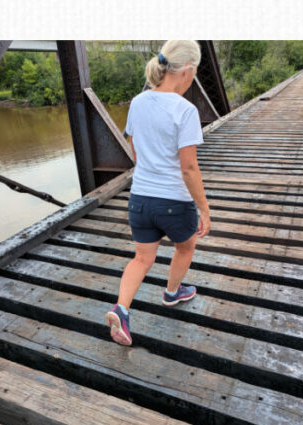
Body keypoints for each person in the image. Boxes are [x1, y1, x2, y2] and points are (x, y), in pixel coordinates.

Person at [105, 40, 211, 346]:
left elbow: (134, 148)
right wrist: (204, 209)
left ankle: (121, 309)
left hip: (140, 199)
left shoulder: (138, 102)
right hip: (174, 203)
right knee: (185, 246)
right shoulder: (185, 110)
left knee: (141, 258)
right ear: (188, 70)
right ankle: (172, 292)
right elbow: (189, 168)